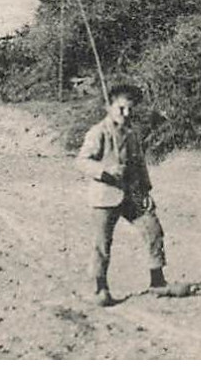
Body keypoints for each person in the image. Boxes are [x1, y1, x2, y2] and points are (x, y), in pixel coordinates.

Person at [75, 83, 169, 306]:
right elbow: (81, 161)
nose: (126, 114)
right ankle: (100, 289)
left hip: (132, 194)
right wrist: (105, 172)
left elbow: (140, 165)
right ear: (109, 106)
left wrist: (145, 190)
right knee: (102, 243)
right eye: (121, 109)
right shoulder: (98, 132)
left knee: (153, 229)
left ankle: (158, 282)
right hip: (104, 196)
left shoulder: (132, 134)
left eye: (130, 109)